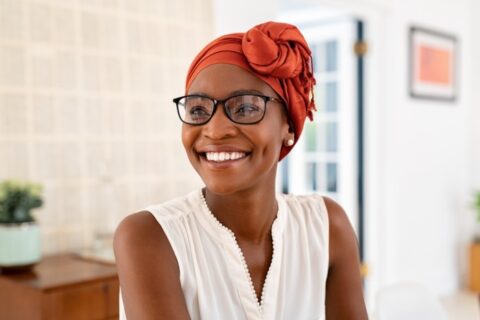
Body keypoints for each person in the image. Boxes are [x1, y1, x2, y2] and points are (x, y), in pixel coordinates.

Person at [114, 21, 368, 320]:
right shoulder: (149, 237)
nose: (215, 130)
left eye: (246, 107)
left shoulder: (326, 226)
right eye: (197, 110)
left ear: (288, 124)